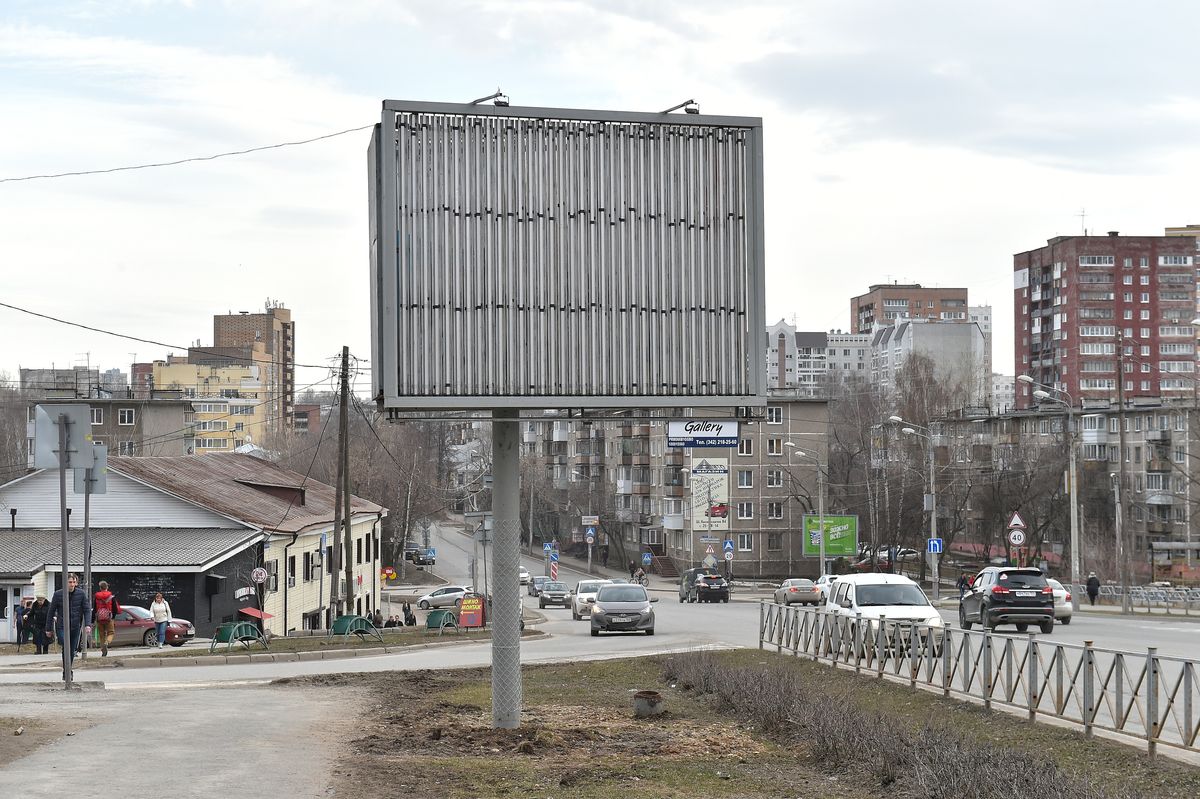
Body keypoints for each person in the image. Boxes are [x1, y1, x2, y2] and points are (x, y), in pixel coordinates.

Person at [45, 574, 91, 668]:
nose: (72, 584)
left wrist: (87, 625)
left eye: (74, 582)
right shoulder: (58, 594)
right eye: (70, 582)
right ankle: (66, 669)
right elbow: (51, 612)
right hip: (62, 626)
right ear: (65, 583)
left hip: (75, 626)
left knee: (72, 649)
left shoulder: (81, 594)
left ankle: (68, 670)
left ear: (76, 583)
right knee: (66, 645)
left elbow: (87, 610)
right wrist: (48, 628)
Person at [92, 581, 121, 657]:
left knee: (101, 635)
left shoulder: (97, 597)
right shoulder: (111, 597)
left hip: (99, 619)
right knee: (111, 633)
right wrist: (113, 617)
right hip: (109, 618)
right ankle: (107, 642)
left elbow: (94, 609)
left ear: (100, 588)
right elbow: (115, 608)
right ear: (107, 587)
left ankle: (103, 651)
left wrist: (93, 620)